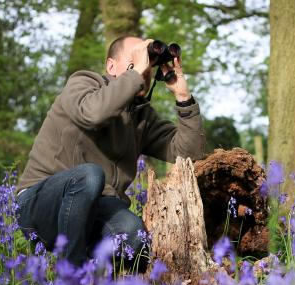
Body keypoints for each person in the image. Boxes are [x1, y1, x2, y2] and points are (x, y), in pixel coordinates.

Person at [15, 36, 205, 267]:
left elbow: (187, 152)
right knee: (89, 176)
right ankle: (70, 277)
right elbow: (93, 113)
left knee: (134, 239)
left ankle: (97, 278)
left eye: (148, 63)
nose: (144, 69)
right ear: (111, 66)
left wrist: (183, 97)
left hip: (98, 206)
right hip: (41, 202)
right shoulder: (83, 83)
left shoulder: (141, 117)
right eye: (136, 59)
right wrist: (135, 74)